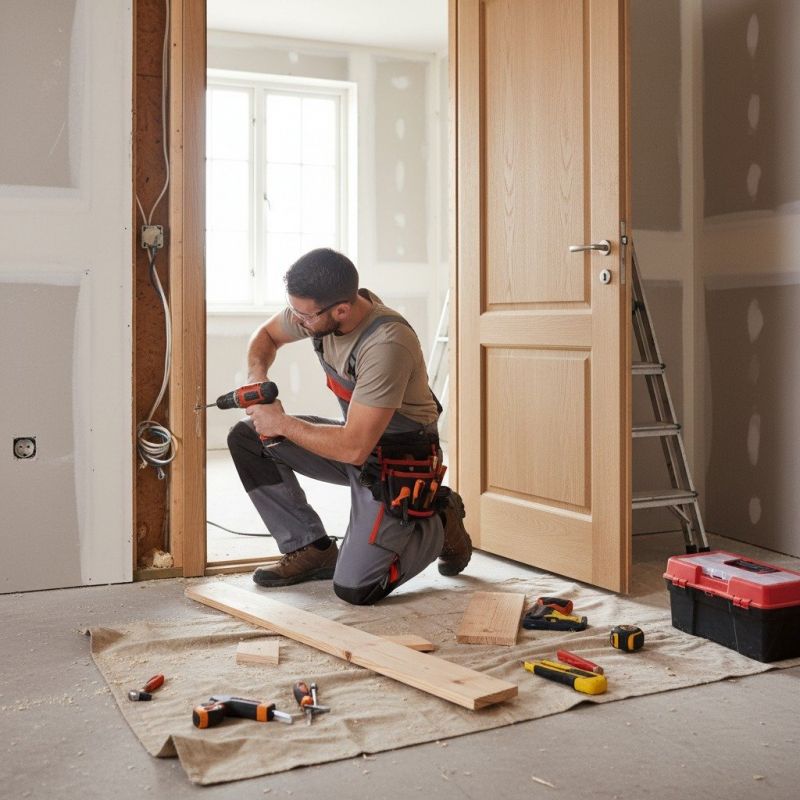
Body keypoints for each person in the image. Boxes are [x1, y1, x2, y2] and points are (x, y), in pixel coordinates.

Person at [227, 247, 472, 605]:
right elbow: (266, 335)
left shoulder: (387, 343)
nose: (297, 321)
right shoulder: (321, 310)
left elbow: (354, 447)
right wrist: (257, 378)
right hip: (356, 442)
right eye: (293, 311)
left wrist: (281, 421)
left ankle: (439, 519)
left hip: (398, 462)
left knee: (357, 589)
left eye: (304, 316)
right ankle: (310, 548)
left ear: (341, 309)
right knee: (249, 438)